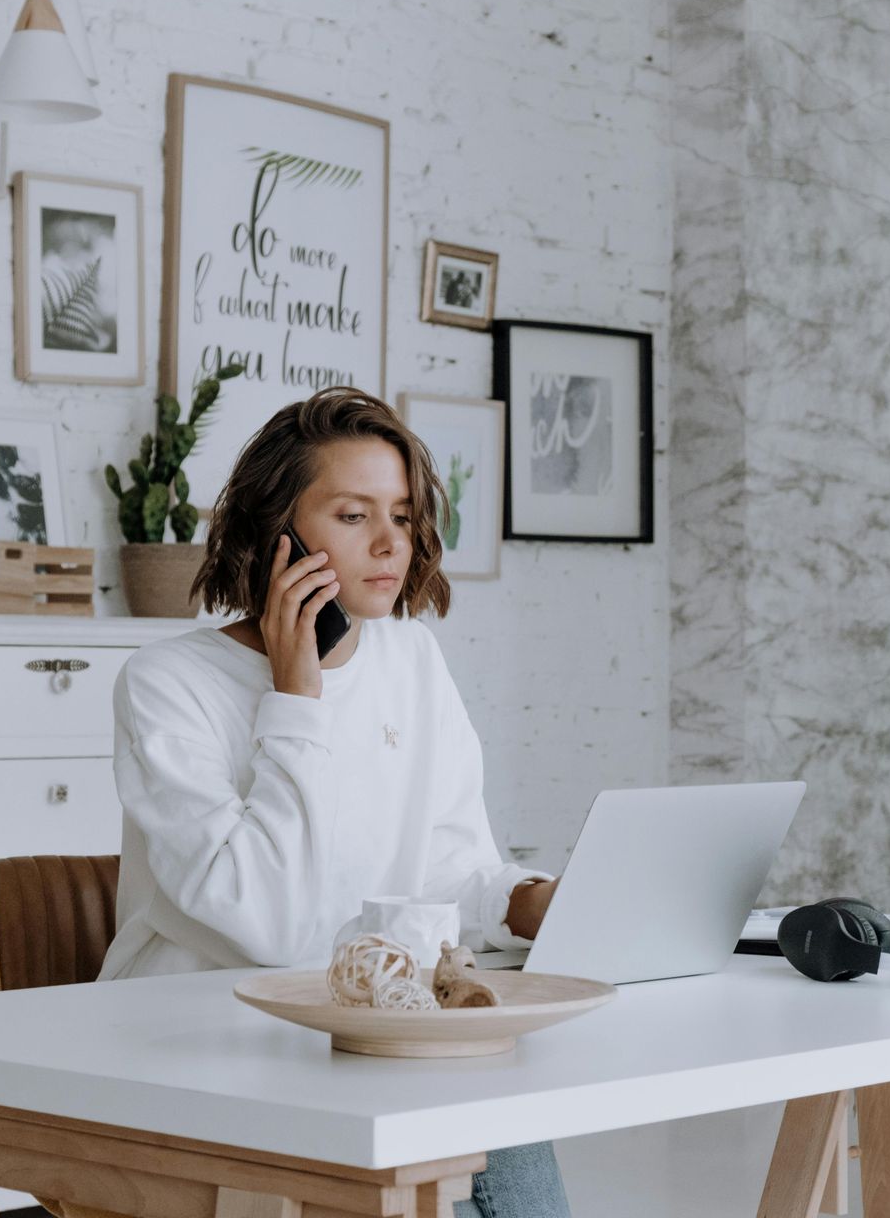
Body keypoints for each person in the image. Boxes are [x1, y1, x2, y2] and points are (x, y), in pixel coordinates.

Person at [90, 386, 572, 1218]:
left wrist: (536, 903)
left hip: (376, 1036)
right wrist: (297, 694)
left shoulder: (411, 660)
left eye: (404, 514)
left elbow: (447, 874)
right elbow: (270, 928)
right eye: (354, 516)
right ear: (277, 531)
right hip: (205, 1053)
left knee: (505, 1108)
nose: (392, 543)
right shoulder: (166, 685)